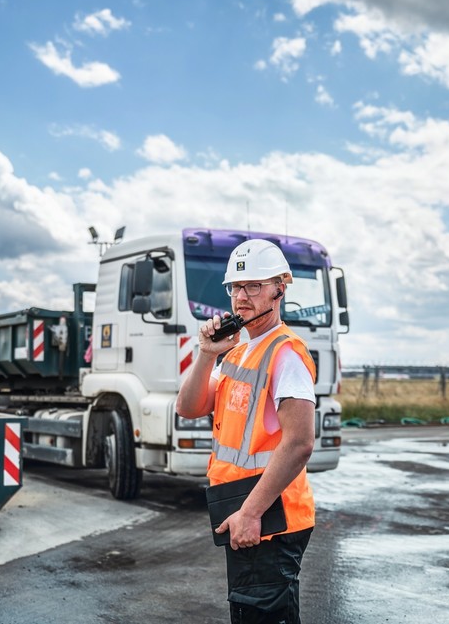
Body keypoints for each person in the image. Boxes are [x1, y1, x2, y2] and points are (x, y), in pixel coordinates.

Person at [176, 238, 317, 624]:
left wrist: (251, 514)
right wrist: (207, 353)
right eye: (235, 287)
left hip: (268, 516)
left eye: (253, 286)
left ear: (279, 289)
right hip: (241, 507)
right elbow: (188, 407)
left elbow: (300, 443)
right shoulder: (237, 352)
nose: (241, 296)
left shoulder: (285, 353)